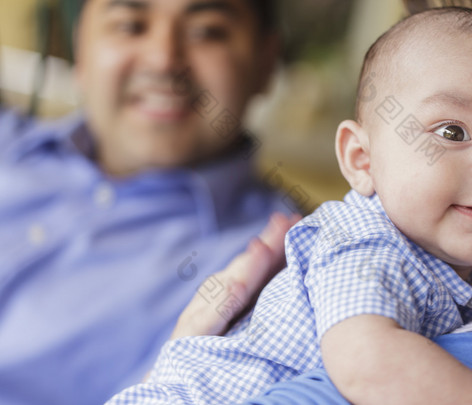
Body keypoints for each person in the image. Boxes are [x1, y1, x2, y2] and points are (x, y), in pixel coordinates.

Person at [107, 7, 472, 404]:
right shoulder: (366, 244)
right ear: (361, 159)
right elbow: (368, 364)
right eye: (452, 133)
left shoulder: (460, 273)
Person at [0, 1, 295, 404]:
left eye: (207, 31)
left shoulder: (282, 269)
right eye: (131, 25)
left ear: (266, 62)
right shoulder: (10, 142)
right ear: (80, 49)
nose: (163, 60)